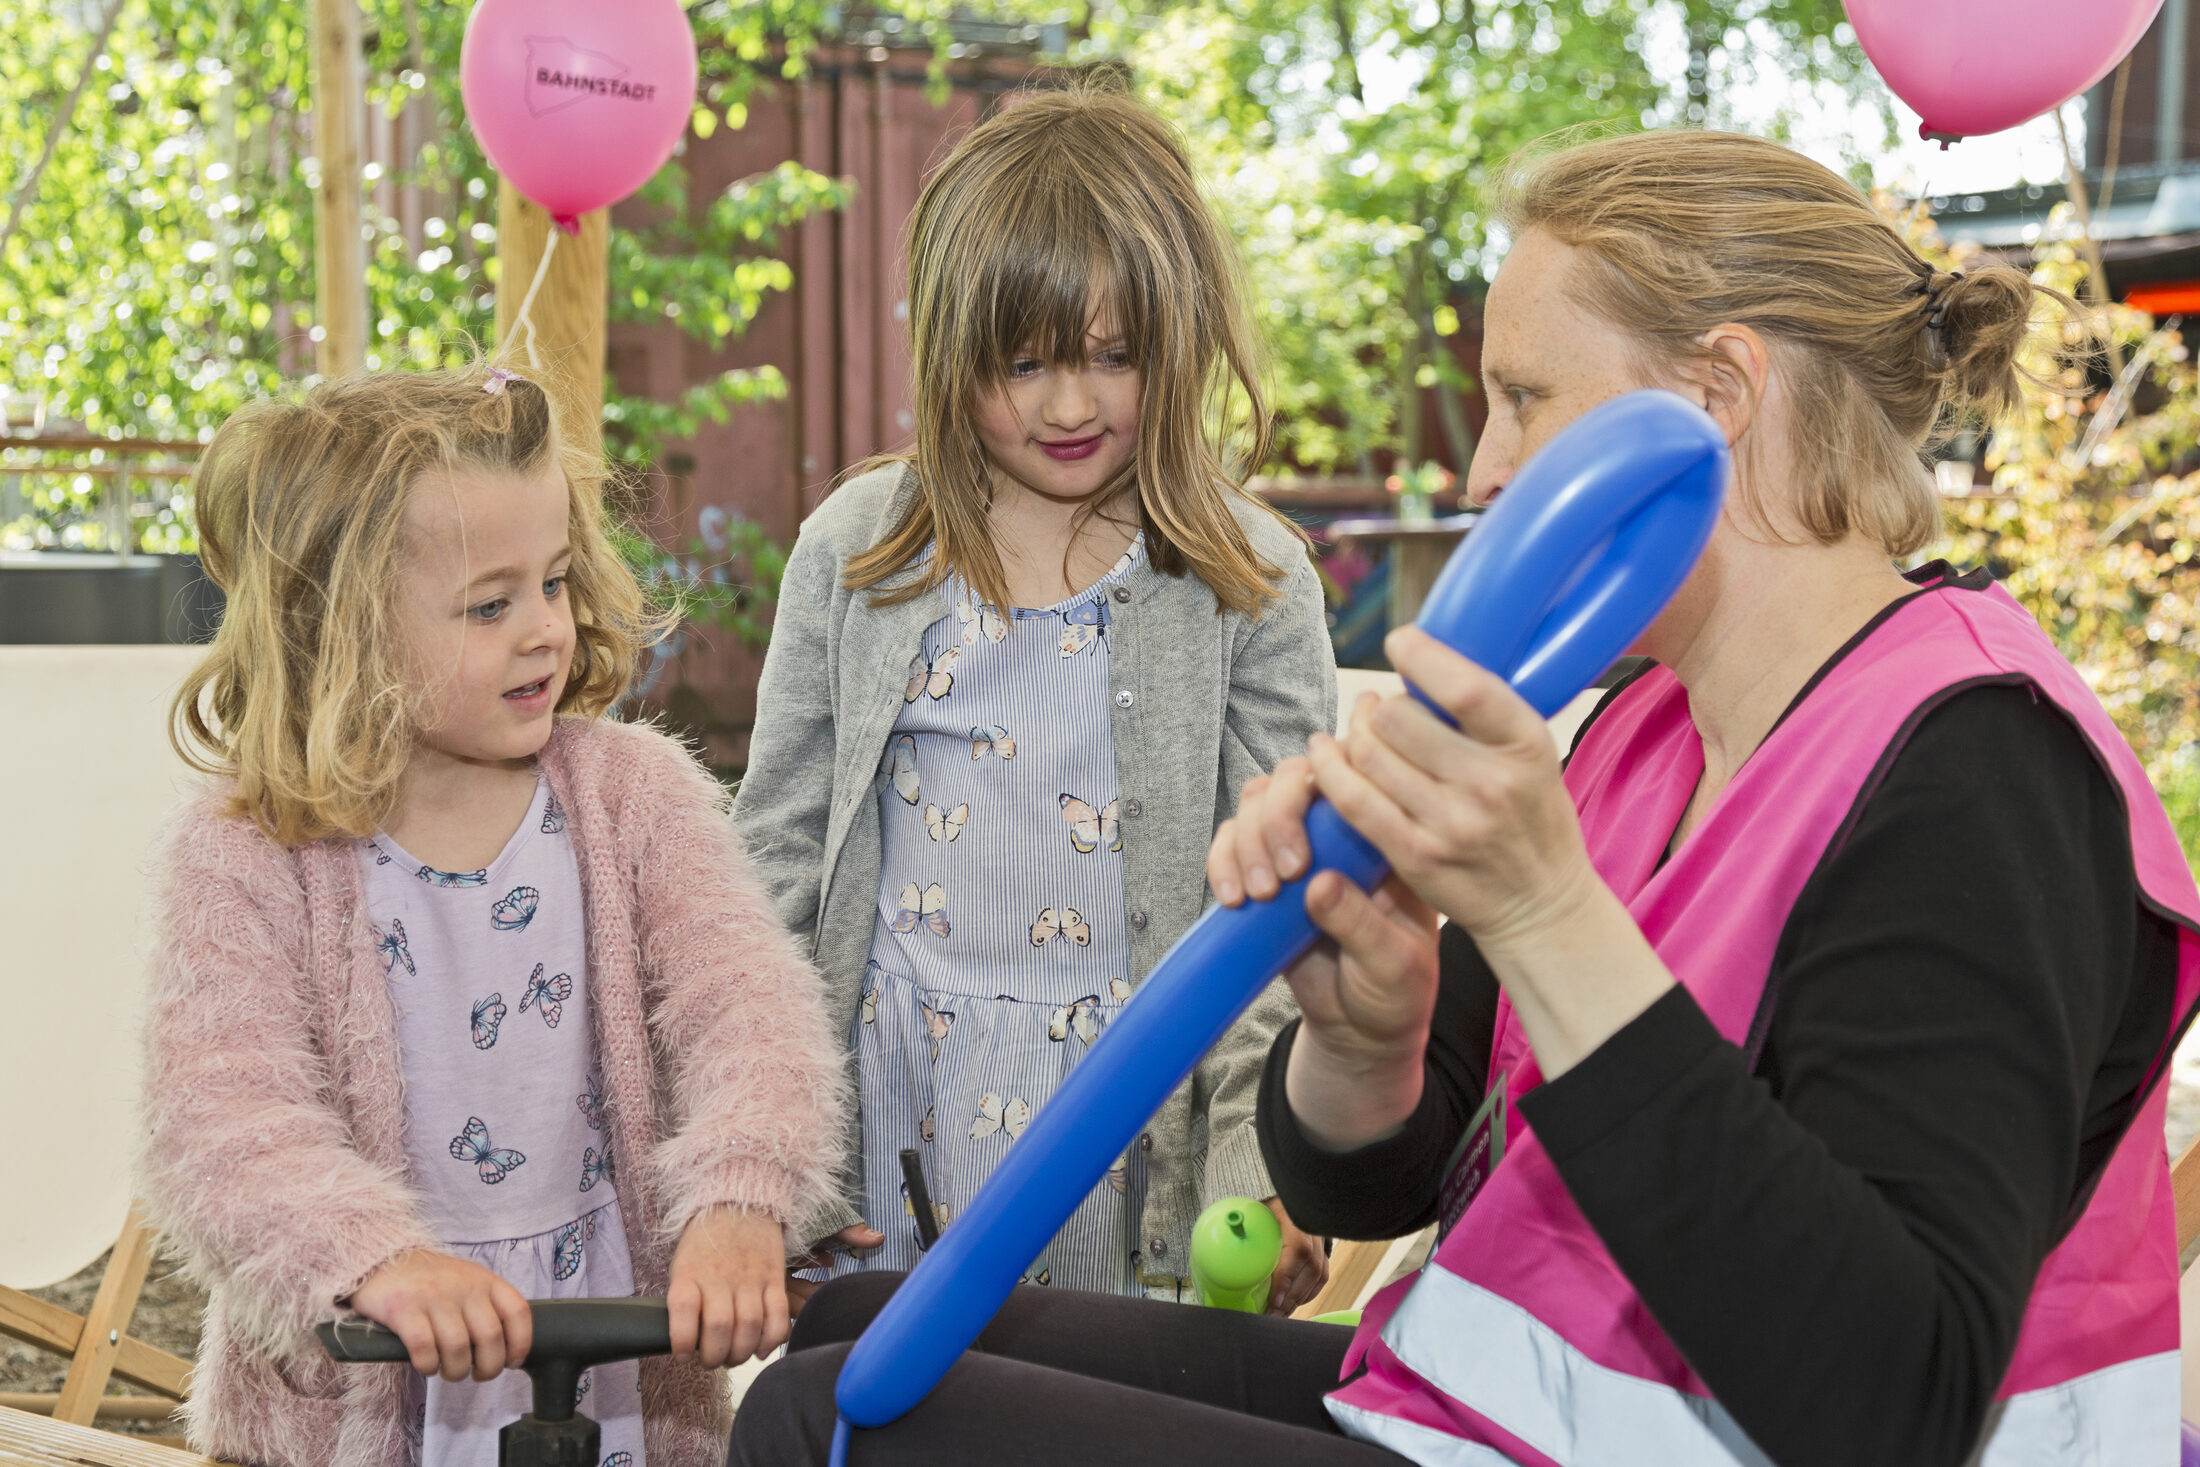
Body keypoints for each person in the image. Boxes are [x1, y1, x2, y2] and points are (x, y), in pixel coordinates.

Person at [729, 130, 2200, 1467]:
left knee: (828, 1424)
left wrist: (1547, 912)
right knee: (853, 1330)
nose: (1486, 467)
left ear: (1722, 399)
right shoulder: (1643, 727)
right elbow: (1397, 1171)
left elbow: (1893, 1398)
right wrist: (1359, 1035)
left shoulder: (1983, 772)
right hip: (1473, 1400)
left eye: (1524, 399)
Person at [137, 363, 849, 1467]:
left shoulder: (631, 799)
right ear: (341, 628)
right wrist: (370, 1261)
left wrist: (742, 1194)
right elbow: (221, 1120)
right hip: (367, 1387)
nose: (545, 631)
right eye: (490, 603)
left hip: (612, 1356)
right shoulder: (251, 852)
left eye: (556, 582)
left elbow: (750, 1010)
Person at [730, 82, 1336, 1312]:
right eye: (1025, 365)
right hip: (894, 1106)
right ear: (953, 353)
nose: (1071, 406)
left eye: (1113, 357)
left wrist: (1252, 1165)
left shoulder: (1250, 578)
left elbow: (1279, 914)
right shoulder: (861, 547)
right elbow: (773, 862)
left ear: (1181, 335)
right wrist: (757, 1160)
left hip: (1121, 1127)